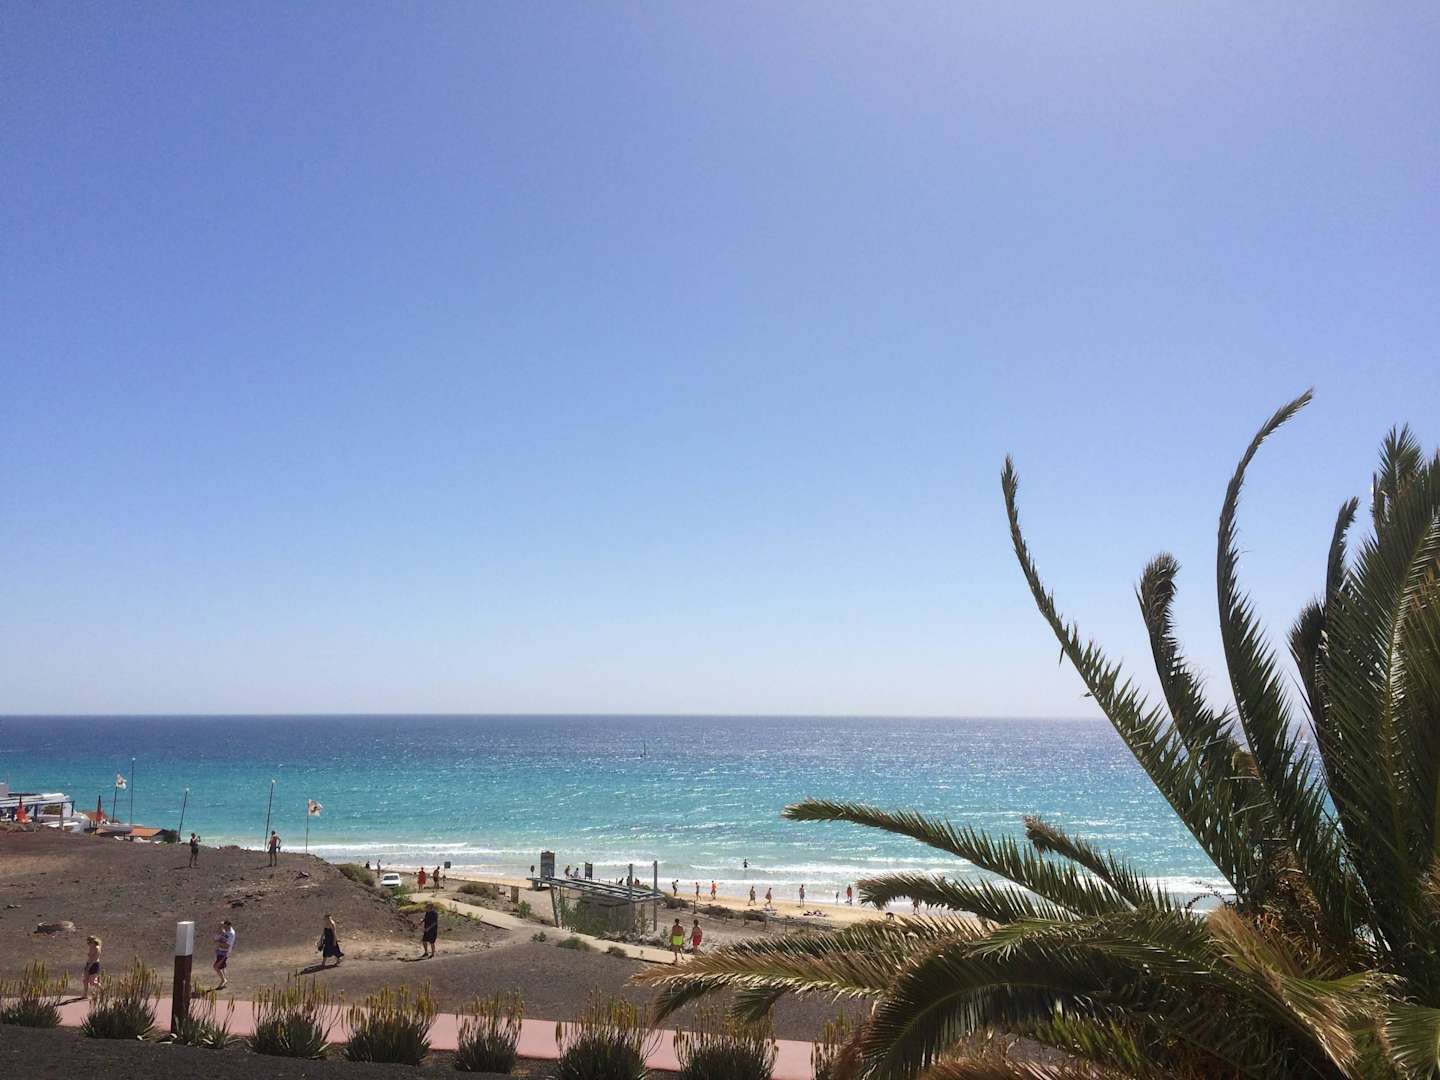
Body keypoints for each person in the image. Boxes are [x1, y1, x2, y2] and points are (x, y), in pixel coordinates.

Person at [213, 920, 236, 989]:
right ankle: (225, 981)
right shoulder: (226, 930)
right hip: (220, 951)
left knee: (216, 967)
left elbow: (227, 946)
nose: (224, 928)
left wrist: (218, 944)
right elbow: (220, 931)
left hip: (225, 953)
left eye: (225, 927)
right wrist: (220, 925)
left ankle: (223, 980)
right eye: (224, 926)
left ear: (229, 926)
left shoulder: (231, 934)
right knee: (222, 967)